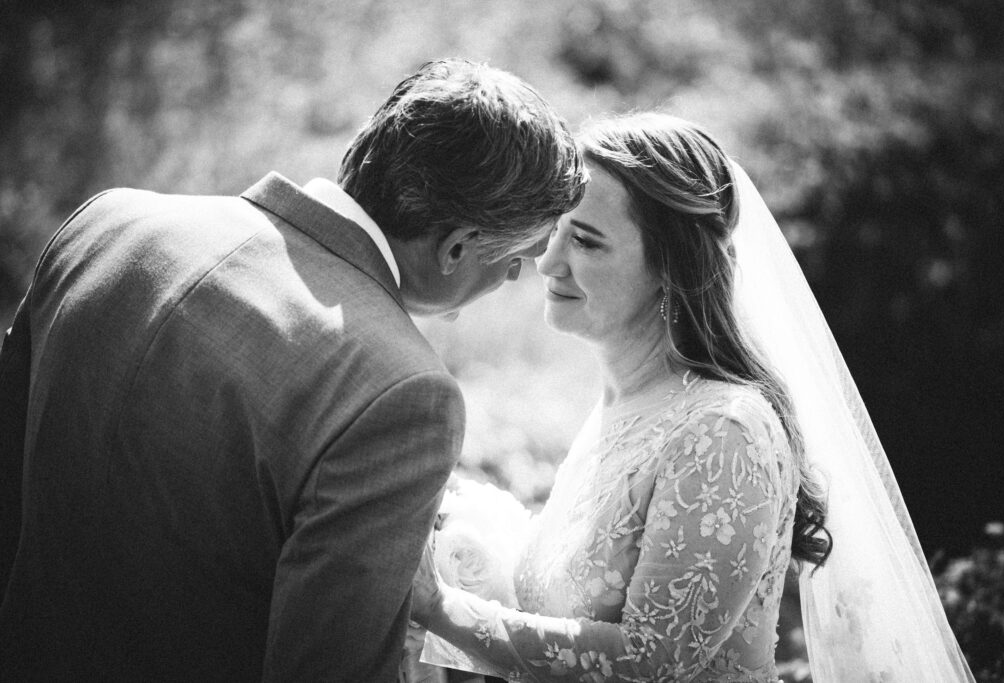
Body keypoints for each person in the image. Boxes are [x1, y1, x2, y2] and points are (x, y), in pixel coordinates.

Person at [0, 58, 585, 681]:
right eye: (519, 254)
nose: (520, 273)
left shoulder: (110, 221)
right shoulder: (402, 392)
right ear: (458, 246)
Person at [410, 113, 975, 681]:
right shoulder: (622, 409)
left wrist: (444, 608)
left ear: (669, 264)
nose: (548, 261)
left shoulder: (722, 432)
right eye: (555, 230)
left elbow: (653, 658)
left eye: (584, 240)